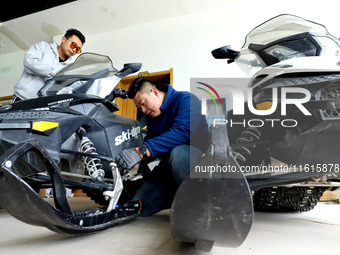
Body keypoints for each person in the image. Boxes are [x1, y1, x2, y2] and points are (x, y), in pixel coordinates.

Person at [115, 77, 210, 216]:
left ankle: (203, 204)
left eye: (143, 103)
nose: (143, 110)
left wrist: (142, 151)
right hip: (170, 166)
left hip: (197, 161)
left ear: (154, 92)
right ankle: (179, 198)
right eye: (139, 107)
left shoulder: (186, 100)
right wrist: (136, 170)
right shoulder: (152, 116)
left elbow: (182, 133)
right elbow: (150, 140)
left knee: (179, 154)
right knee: (139, 204)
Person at [12, 28, 86, 102]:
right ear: (63, 39)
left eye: (77, 50)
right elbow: (30, 62)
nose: (74, 50)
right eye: (73, 45)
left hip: (43, 105)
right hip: (22, 99)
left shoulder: (70, 68)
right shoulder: (43, 47)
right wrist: (56, 73)